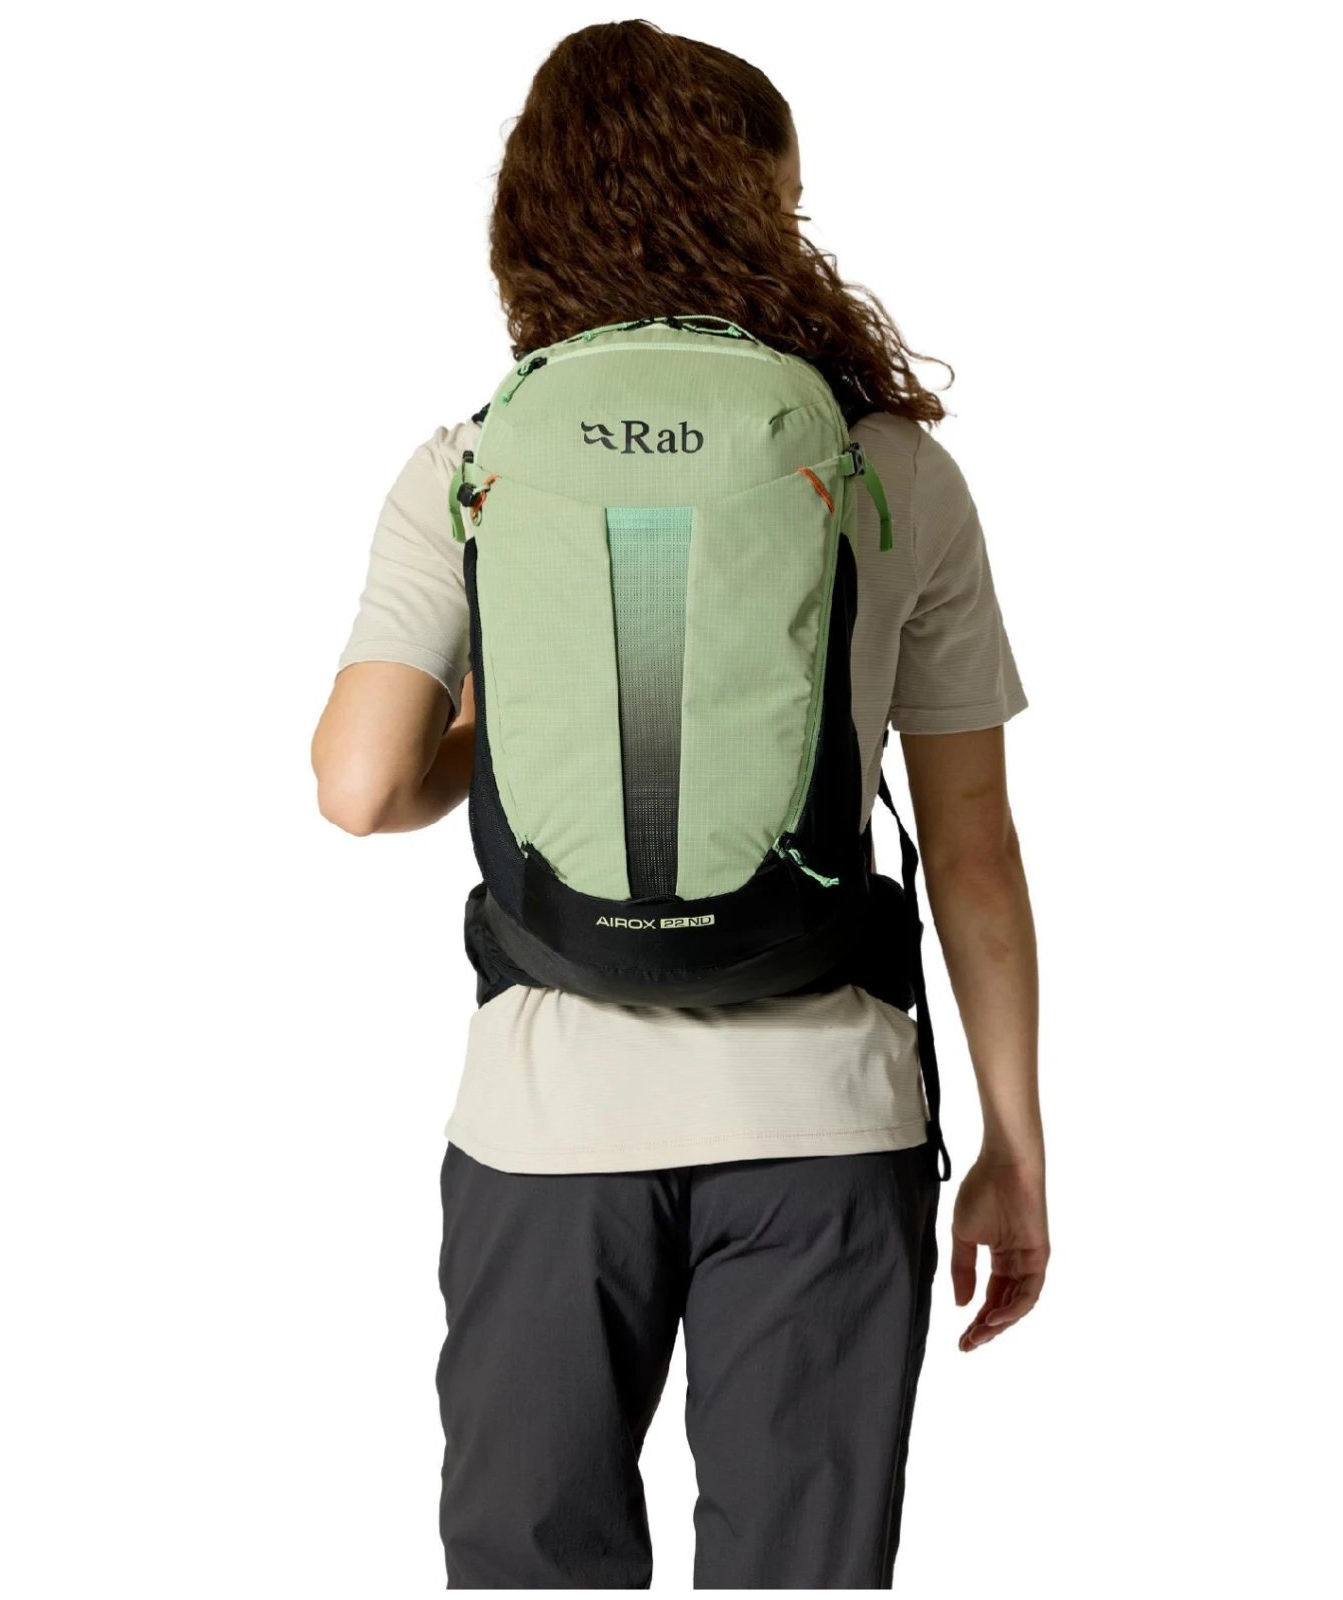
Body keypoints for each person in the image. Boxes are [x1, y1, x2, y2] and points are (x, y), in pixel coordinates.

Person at [311, 20, 1048, 1590]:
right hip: (826, 1117)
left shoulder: (473, 465)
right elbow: (973, 851)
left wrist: (496, 721)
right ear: (756, 216)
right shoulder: (894, 471)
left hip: (543, 1126)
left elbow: (360, 787)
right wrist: (1014, 1143)